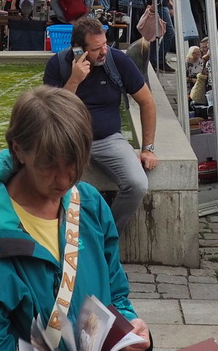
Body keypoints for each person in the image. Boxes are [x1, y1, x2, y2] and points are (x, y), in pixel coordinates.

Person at [0, 85, 151, 351]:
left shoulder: (89, 205)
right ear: (19, 150)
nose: (64, 178)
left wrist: (130, 331)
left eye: (74, 163)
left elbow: (114, 295)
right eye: (49, 165)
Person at [42, 15, 159, 237]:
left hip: (108, 140)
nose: (104, 51)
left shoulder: (117, 61)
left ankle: (106, 238)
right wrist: (75, 80)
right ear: (79, 49)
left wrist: (147, 148)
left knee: (137, 184)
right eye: (97, 48)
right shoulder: (57, 65)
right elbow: (52, 113)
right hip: (69, 141)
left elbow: (147, 101)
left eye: (105, 44)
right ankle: (59, 240)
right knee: (51, 185)